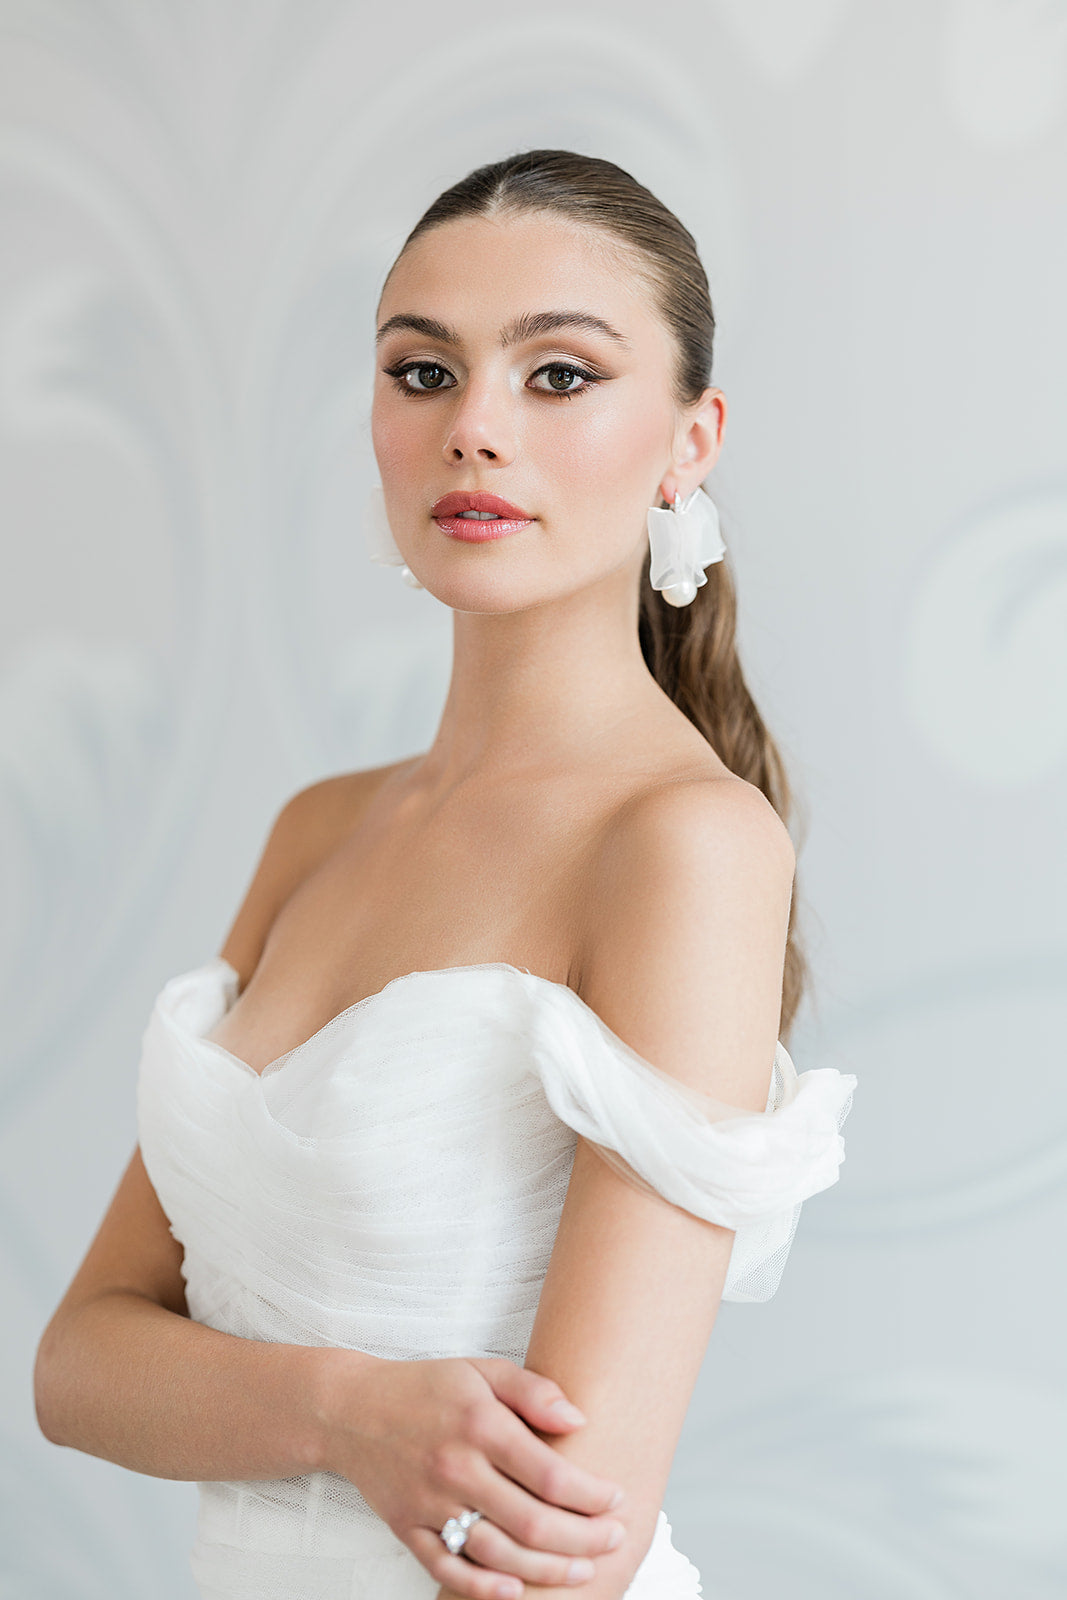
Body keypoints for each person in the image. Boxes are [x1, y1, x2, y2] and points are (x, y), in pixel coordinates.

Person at [33, 148, 857, 1600]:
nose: (476, 428)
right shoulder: (317, 829)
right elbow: (78, 1362)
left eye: (558, 377)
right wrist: (355, 1417)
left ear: (690, 439)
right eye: (423, 373)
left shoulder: (688, 846)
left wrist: (280, 1411)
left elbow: (560, 1543)